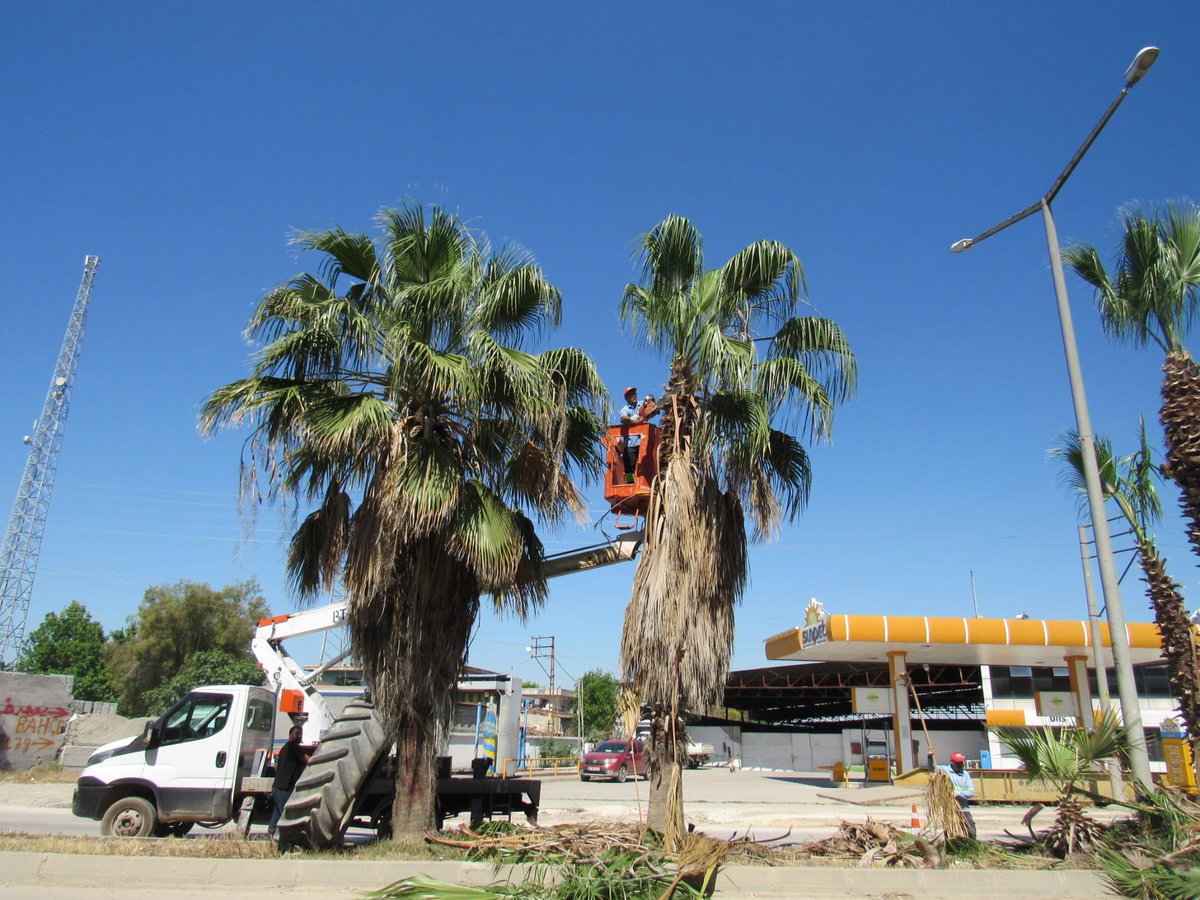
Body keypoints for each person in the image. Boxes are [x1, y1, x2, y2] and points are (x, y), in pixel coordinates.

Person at [268, 725, 312, 837]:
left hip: (277, 787)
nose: (299, 735)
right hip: (284, 788)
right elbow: (308, 760)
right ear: (290, 735)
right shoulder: (294, 747)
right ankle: (284, 838)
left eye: (301, 733)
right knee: (286, 815)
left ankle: (271, 834)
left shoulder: (285, 748)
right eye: (297, 733)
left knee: (277, 813)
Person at [618, 386, 659, 479]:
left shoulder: (640, 404)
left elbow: (647, 404)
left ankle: (647, 481)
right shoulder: (625, 409)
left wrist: (650, 399)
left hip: (643, 442)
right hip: (630, 444)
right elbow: (623, 418)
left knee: (645, 464)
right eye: (631, 395)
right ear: (626, 398)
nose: (633, 396)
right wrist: (631, 418)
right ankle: (630, 483)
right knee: (630, 467)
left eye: (634, 394)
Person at [938, 751, 976, 839]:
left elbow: (971, 792)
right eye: (957, 763)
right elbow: (932, 769)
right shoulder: (945, 770)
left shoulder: (965, 774)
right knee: (949, 830)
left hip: (963, 808)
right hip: (950, 808)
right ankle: (951, 847)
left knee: (970, 830)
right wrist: (930, 756)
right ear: (952, 762)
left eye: (961, 762)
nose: (960, 765)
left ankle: (972, 845)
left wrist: (959, 794)